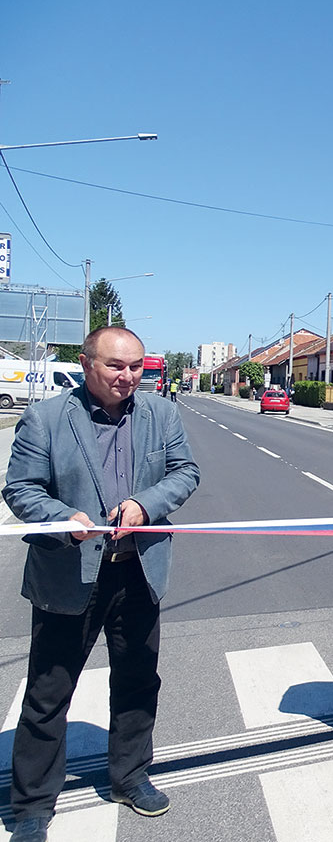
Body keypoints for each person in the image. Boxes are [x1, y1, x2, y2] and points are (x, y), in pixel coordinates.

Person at [2, 327, 201, 842]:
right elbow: (20, 489)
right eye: (116, 366)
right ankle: (31, 805)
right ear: (87, 363)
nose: (128, 376)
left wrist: (145, 504)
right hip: (69, 574)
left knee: (138, 681)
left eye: (136, 366)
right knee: (49, 693)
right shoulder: (47, 418)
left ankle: (130, 777)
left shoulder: (161, 414)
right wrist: (60, 516)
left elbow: (185, 472)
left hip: (138, 571)